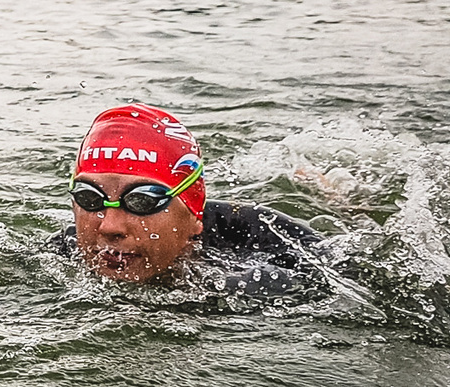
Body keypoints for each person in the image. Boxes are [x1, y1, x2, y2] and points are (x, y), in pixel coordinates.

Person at [50, 104, 326, 293]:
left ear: (194, 215)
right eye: (89, 197)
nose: (110, 227)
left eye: (142, 201)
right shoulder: (59, 254)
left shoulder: (278, 259)